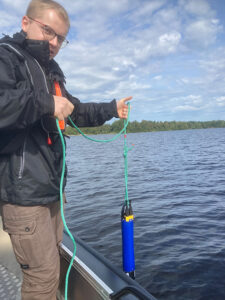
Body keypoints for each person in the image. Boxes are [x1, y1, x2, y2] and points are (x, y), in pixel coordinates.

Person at [0, 0, 132, 299]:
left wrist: (111, 108)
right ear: (25, 23)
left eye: (61, 38)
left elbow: (74, 110)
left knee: (53, 266)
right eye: (48, 31)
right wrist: (46, 103)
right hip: (23, 195)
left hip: (51, 191)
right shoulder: (6, 57)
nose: (54, 42)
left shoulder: (51, 71)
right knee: (42, 277)